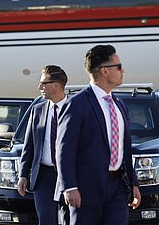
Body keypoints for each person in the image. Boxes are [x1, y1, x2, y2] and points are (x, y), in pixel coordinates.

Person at [55, 44, 141, 224]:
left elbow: (125, 149)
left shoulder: (119, 104)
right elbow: (64, 149)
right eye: (118, 66)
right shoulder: (77, 104)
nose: (122, 70)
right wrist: (69, 186)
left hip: (117, 188)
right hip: (85, 190)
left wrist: (133, 183)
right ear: (104, 71)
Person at [18, 65, 68, 224]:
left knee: (68, 219)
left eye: (43, 83)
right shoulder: (37, 110)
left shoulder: (75, 109)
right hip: (43, 176)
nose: (39, 87)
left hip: (68, 176)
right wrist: (23, 174)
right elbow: (29, 145)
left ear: (56, 85)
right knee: (46, 219)